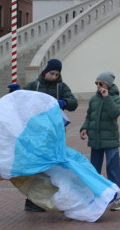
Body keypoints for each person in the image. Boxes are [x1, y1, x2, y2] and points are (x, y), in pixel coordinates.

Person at [24, 58, 79, 212]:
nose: (54, 76)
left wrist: (65, 102)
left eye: (57, 74)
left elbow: (73, 102)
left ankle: (53, 198)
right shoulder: (34, 86)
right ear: (45, 71)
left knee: (54, 166)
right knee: (37, 166)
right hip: (37, 133)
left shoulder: (61, 87)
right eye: (52, 73)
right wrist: (14, 91)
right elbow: (20, 99)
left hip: (55, 134)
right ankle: (31, 201)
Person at [79, 71, 120, 211]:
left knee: (113, 169)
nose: (98, 86)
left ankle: (119, 198)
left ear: (108, 85)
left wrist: (107, 97)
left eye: (101, 83)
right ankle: (95, 196)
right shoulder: (94, 99)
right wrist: (85, 127)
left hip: (110, 139)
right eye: (97, 83)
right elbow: (89, 116)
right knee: (94, 169)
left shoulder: (115, 98)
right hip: (96, 140)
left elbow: (115, 113)